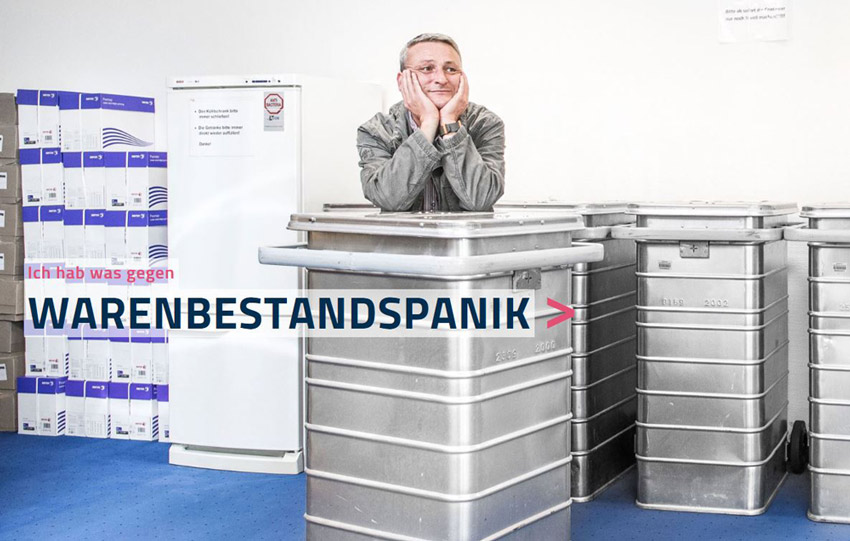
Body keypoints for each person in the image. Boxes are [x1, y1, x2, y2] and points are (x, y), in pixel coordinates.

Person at [357, 33, 505, 212]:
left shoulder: (485, 124)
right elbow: (388, 198)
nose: (441, 79)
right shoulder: (376, 130)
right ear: (402, 81)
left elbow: (481, 199)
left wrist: (450, 123)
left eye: (451, 69)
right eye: (427, 68)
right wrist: (428, 123)